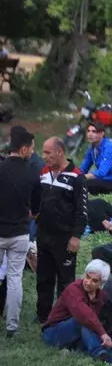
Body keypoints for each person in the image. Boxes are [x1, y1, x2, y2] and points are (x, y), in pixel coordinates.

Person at [36, 137, 88, 324]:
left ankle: (62, 317)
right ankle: (43, 315)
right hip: (43, 236)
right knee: (43, 277)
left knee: (65, 281)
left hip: (64, 239)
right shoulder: (43, 173)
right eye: (43, 152)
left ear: (60, 152)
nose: (44, 156)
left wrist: (75, 236)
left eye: (48, 152)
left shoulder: (76, 176)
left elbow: (82, 211)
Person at [42, 259, 112, 366]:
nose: (88, 282)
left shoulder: (101, 296)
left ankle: (77, 351)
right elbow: (83, 314)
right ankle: (100, 354)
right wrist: (102, 334)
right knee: (81, 321)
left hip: (79, 335)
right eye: (87, 277)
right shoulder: (74, 289)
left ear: (101, 283)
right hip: (54, 333)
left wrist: (104, 336)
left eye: (94, 281)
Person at [0, 127, 40, 337]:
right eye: (32, 147)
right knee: (15, 279)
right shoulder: (33, 172)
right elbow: (36, 208)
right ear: (23, 149)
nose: (33, 151)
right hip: (20, 234)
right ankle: (12, 326)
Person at [80, 123, 112, 195]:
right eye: (88, 131)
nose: (90, 134)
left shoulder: (109, 148)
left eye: (94, 131)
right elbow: (83, 169)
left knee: (85, 183)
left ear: (102, 134)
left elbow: (101, 173)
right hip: (102, 181)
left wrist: (80, 178)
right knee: (76, 183)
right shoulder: (92, 148)